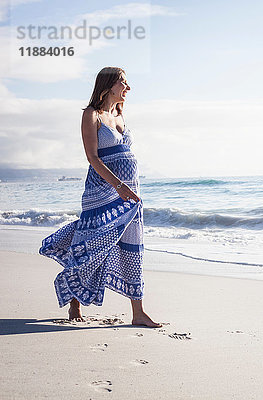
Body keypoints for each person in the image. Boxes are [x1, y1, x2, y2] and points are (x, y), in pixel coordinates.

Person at [39, 66, 161, 328]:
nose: (128, 88)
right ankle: (74, 297)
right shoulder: (91, 115)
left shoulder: (120, 114)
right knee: (94, 243)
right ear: (108, 84)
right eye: (124, 83)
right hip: (103, 190)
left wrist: (127, 187)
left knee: (132, 247)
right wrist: (118, 186)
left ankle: (138, 312)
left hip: (130, 191)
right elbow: (92, 157)